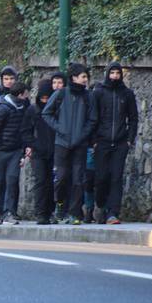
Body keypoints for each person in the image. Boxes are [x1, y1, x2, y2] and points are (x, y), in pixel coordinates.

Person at [43, 63, 98, 225]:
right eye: (83, 77)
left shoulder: (89, 96)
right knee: (61, 178)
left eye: (86, 77)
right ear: (74, 78)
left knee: (78, 180)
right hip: (61, 143)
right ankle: (60, 205)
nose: (85, 80)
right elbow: (47, 113)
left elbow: (92, 119)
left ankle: (75, 213)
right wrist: (60, 128)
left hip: (80, 144)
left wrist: (83, 134)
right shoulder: (61, 94)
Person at [92, 61, 138, 225]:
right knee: (102, 177)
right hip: (101, 142)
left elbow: (133, 118)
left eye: (118, 73)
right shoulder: (98, 92)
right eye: (112, 73)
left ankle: (113, 213)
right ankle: (101, 206)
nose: (115, 76)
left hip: (120, 143)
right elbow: (93, 118)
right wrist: (94, 141)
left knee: (116, 177)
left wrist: (129, 140)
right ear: (107, 74)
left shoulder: (127, 94)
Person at [0, 82, 28, 225]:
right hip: (0, 151)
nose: (27, 96)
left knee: (12, 181)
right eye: (26, 93)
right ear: (20, 94)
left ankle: (9, 212)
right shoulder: (2, 109)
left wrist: (23, 152)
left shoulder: (23, 107)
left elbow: (23, 131)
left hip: (15, 151)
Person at [22, 79, 56, 224]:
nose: (45, 101)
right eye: (42, 98)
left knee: (52, 182)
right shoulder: (33, 110)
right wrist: (34, 144)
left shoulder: (57, 110)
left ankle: (51, 211)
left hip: (55, 150)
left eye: (48, 98)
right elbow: (25, 131)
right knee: (41, 181)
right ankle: (41, 213)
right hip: (38, 152)